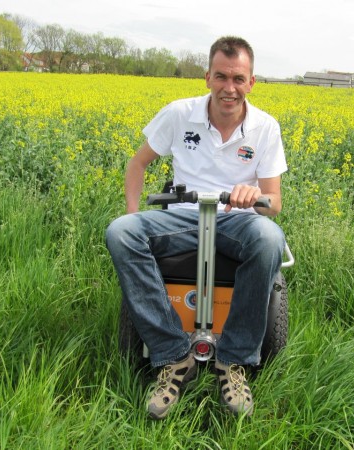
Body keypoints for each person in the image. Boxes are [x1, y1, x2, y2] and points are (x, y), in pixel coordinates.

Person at [106, 36, 287, 419]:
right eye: (221, 76)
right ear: (207, 77)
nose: (229, 87)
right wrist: (134, 212)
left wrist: (250, 194)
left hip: (238, 220)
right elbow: (137, 165)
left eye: (238, 79)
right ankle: (172, 355)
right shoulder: (178, 113)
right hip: (185, 215)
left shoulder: (266, 128)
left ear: (251, 82)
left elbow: (274, 202)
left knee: (270, 238)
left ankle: (233, 361)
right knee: (121, 231)